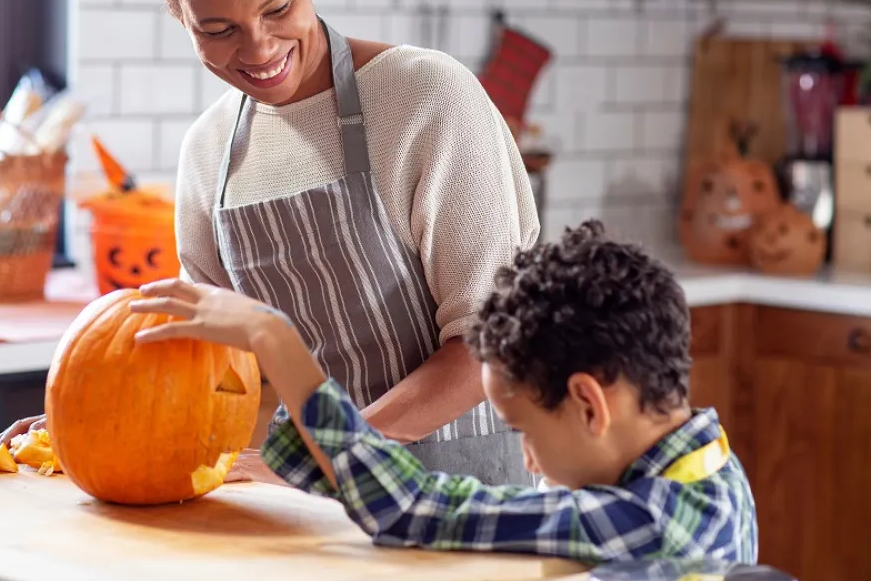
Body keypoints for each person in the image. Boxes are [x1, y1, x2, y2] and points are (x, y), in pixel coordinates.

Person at [0, 0, 539, 484]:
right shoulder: (210, 154)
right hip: (296, 506)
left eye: (277, 9)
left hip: (457, 503)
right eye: (217, 30)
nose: (258, 50)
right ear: (180, 17)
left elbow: (488, 345)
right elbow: (210, 367)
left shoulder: (424, 98)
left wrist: (329, 456)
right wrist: (85, 417)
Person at [129, 221, 758, 563]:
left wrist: (277, 342)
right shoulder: (701, 468)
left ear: (589, 404)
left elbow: (413, 509)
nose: (527, 461)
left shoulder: (665, 522)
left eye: (524, 431)